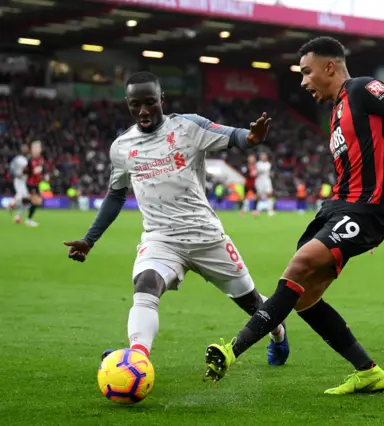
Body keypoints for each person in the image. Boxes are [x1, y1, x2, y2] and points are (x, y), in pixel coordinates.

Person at [203, 36, 384, 394]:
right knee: (306, 296)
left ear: (330, 67)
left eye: (307, 72)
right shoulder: (337, 111)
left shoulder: (362, 89)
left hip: (367, 210)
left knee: (299, 265)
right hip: (337, 209)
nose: (302, 81)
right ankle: (368, 371)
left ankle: (231, 351)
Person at [63, 71, 289, 366]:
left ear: (161, 100)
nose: (143, 111)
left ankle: (278, 334)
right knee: (145, 284)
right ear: (128, 105)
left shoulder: (187, 127)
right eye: (135, 105)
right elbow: (116, 195)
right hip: (161, 239)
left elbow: (235, 136)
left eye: (149, 102)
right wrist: (90, 239)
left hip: (205, 237)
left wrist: (251, 138)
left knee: (252, 303)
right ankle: (137, 358)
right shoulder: (121, 148)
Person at [9, 143, 30, 224]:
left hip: (25, 182)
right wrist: (16, 174)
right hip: (19, 181)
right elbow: (11, 168)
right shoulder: (18, 159)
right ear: (21, 150)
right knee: (24, 197)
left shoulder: (28, 159)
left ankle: (17, 217)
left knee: (27, 202)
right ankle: (11, 203)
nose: (25, 150)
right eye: (24, 148)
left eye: (26, 148)